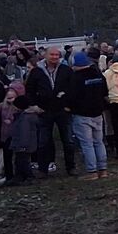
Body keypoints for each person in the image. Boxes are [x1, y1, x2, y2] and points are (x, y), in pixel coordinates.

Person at [25, 46, 76, 176]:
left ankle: (71, 167)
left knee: (68, 140)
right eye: (52, 54)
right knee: (43, 141)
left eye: (57, 55)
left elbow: (73, 88)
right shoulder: (37, 71)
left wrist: (69, 104)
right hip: (44, 110)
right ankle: (43, 169)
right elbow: (29, 90)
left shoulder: (66, 70)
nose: (54, 57)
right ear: (46, 55)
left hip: (62, 110)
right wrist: (34, 105)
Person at [66, 51, 109, 180]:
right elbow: (105, 92)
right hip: (97, 113)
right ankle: (103, 169)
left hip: (82, 114)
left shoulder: (76, 78)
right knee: (99, 142)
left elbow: (72, 97)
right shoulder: (98, 75)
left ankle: (92, 171)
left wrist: (67, 106)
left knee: (87, 144)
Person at [6, 95, 39, 186]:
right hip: (23, 143)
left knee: (23, 161)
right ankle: (19, 176)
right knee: (18, 160)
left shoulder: (25, 118)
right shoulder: (24, 116)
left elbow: (24, 132)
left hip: (23, 144)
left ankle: (29, 176)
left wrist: (22, 145)